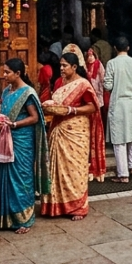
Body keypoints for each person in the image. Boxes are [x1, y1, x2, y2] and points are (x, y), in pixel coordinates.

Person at [41, 52, 105, 220]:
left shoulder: (83, 84)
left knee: (74, 168)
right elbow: (56, 103)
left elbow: (93, 106)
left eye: (64, 66)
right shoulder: (58, 82)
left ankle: (77, 207)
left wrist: (72, 110)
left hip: (76, 131)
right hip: (58, 127)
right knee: (57, 168)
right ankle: (57, 206)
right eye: (60, 65)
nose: (61, 68)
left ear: (74, 67)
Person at [0, 58, 49, 233]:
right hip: (6, 138)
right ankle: (4, 218)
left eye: (7, 72)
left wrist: (13, 125)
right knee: (4, 175)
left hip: (21, 140)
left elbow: (35, 118)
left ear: (18, 73)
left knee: (21, 177)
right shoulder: (7, 90)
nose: (4, 75)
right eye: (4, 71)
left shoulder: (28, 93)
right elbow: (4, 111)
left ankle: (24, 219)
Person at [104, 37, 132, 184]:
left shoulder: (112, 63)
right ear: (128, 48)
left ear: (115, 48)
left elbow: (108, 85)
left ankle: (123, 174)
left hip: (119, 104)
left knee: (119, 139)